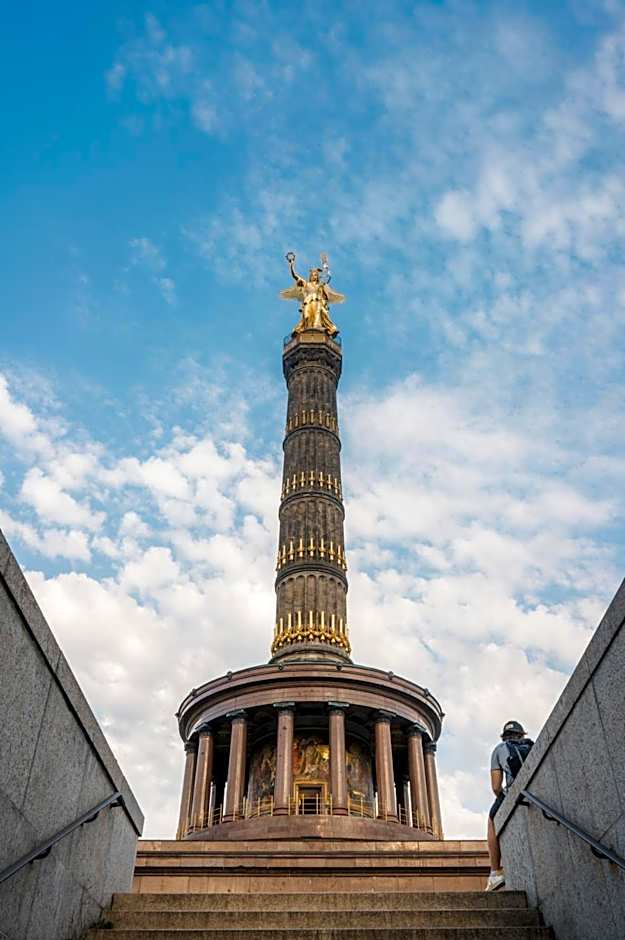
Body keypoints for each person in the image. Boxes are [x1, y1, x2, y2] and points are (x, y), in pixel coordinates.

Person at [485, 720, 534, 892]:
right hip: (535, 789)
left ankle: (495, 872)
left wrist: (503, 798)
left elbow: (496, 787)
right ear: (522, 735)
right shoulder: (531, 746)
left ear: (504, 737)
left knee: (491, 820)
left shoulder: (500, 749)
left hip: (515, 791)